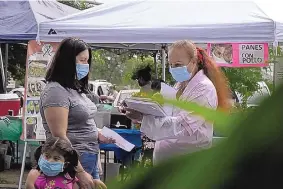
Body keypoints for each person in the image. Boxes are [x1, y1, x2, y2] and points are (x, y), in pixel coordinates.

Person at [125, 40, 231, 164]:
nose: (173, 69)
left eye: (178, 64)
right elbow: (168, 115)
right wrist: (146, 111)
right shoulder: (180, 84)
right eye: (171, 64)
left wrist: (144, 119)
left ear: (193, 62)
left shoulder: (204, 89)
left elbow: (182, 126)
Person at [37, 38, 114, 189]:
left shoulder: (74, 88)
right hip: (73, 164)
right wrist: (79, 172)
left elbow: (80, 121)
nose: (85, 65)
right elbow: (59, 135)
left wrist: (97, 133)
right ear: (67, 61)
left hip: (88, 157)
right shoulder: (55, 91)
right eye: (82, 60)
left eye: (87, 61)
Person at [25, 137, 107, 189]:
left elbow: (84, 185)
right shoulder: (35, 177)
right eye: (47, 156)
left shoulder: (70, 180)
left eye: (56, 158)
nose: (50, 161)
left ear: (65, 164)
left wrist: (94, 183)